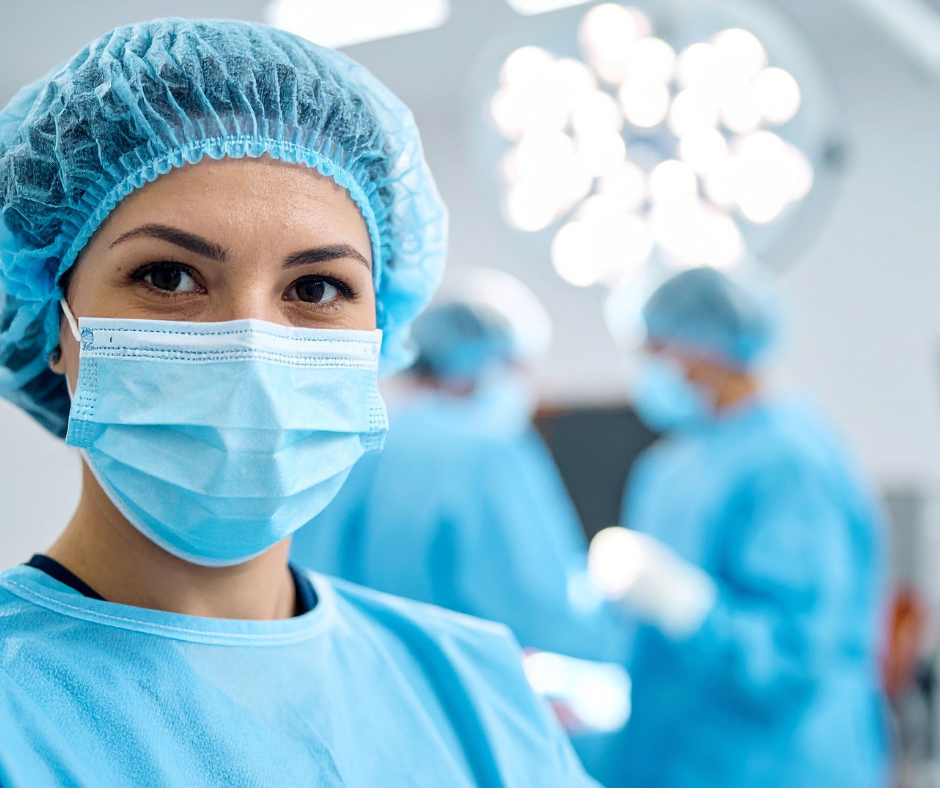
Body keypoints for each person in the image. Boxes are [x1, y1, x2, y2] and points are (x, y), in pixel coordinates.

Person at [0, 20, 597, 786]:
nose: (252, 349)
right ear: (56, 324)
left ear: (381, 334)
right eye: (168, 277)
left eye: (316, 288)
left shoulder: (474, 686)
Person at [591, 266, 889, 788]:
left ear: (706, 350)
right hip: (674, 757)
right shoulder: (669, 467)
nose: (646, 367)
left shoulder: (790, 461)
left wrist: (687, 607)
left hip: (773, 762)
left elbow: (796, 657)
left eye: (657, 347)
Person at [292, 269, 628, 664]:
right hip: (447, 692)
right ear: (487, 366)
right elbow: (545, 610)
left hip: (341, 676)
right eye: (516, 368)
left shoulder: (343, 443)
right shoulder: (484, 453)